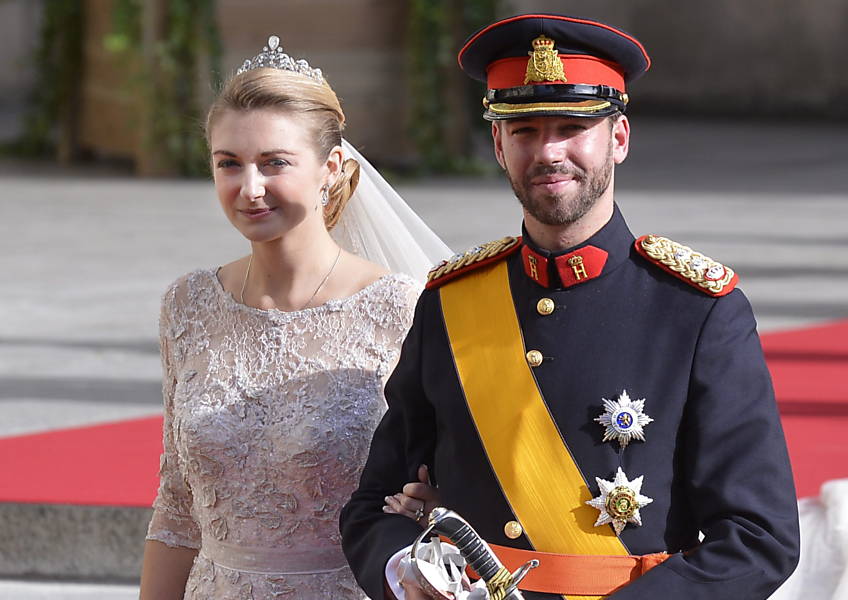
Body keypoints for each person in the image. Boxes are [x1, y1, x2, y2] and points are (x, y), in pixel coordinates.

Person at [341, 14, 800, 600]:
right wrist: (404, 572)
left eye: (572, 127)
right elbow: (375, 502)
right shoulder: (450, 302)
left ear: (619, 138)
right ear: (498, 145)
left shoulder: (698, 310)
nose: (548, 151)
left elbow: (760, 537)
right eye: (526, 130)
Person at [139, 36, 450, 600]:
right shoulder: (187, 305)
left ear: (330, 167)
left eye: (274, 162)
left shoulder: (401, 307)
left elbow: (439, 485)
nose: (249, 188)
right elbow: (177, 506)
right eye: (228, 163)